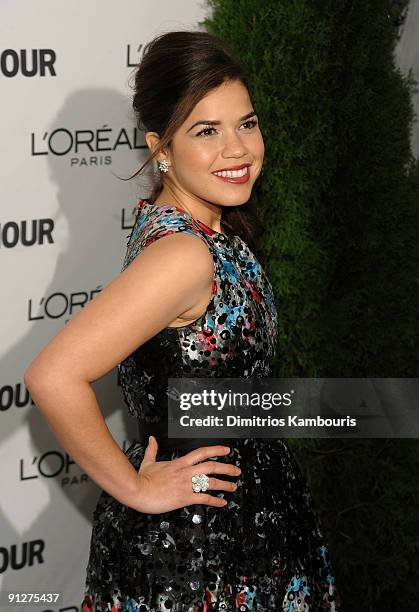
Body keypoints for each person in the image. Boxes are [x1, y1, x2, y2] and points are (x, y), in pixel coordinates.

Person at [24, 30, 342, 612]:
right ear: (161, 147)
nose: (238, 149)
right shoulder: (184, 254)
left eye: (246, 123)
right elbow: (52, 376)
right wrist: (136, 487)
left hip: (237, 527)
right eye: (206, 131)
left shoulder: (198, 226)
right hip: (203, 555)